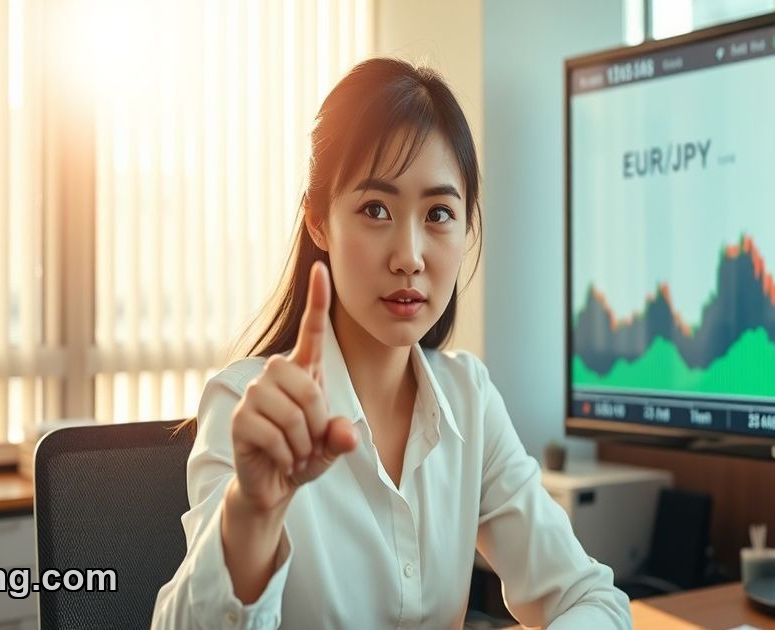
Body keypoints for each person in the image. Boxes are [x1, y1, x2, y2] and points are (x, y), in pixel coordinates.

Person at [151, 57, 631, 629]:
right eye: (376, 209)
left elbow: (592, 600)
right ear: (318, 221)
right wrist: (251, 516)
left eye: (438, 214)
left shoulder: (467, 398)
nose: (409, 255)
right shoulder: (245, 406)